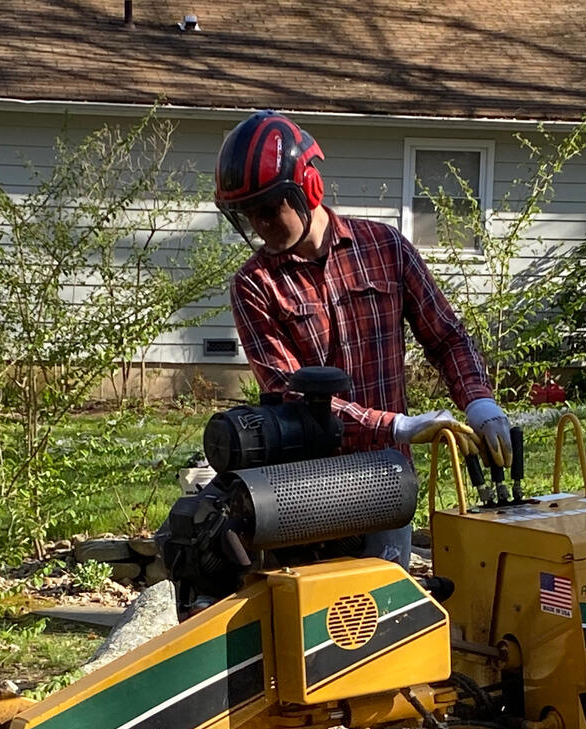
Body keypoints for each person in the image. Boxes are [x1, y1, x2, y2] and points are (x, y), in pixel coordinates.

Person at [214, 111, 512, 566]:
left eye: (269, 208)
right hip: (309, 490)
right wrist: (397, 425)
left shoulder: (385, 248)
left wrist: (479, 402)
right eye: (248, 214)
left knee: (388, 616)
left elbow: (446, 337)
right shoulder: (254, 285)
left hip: (389, 478)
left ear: (308, 189)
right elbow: (290, 394)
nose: (260, 224)